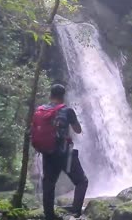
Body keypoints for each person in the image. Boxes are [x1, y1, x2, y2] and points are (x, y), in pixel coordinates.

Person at [39, 84, 88, 219]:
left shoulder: (41, 110)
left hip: (48, 153)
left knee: (48, 184)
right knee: (81, 181)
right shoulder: (67, 111)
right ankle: (76, 212)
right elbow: (78, 130)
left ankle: (49, 215)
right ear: (63, 96)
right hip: (65, 154)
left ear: (50, 95)